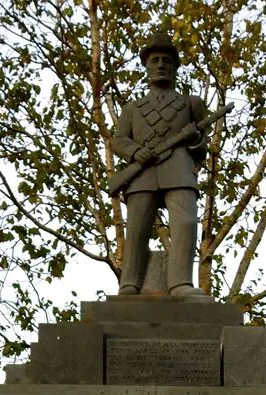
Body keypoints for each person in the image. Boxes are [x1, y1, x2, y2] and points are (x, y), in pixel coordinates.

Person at [111, 32, 209, 298]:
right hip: (142, 171)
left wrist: (195, 138)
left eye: (167, 60)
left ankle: (180, 284)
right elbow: (118, 140)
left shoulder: (190, 103)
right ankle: (129, 282)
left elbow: (203, 148)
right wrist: (136, 152)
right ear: (146, 67)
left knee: (186, 223)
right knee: (136, 228)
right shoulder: (133, 108)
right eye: (155, 60)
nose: (161, 65)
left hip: (178, 167)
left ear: (176, 67)